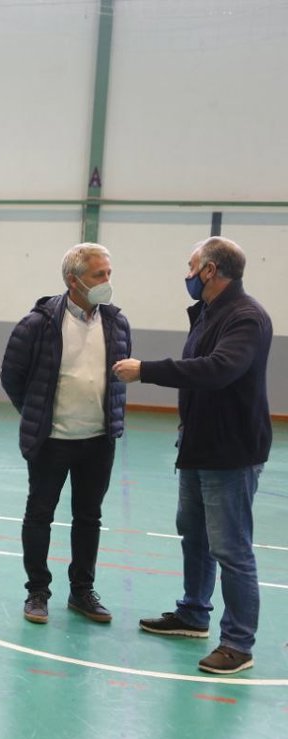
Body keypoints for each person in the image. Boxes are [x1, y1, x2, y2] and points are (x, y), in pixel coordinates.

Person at [114, 236, 272, 675]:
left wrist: (146, 370)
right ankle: (193, 614)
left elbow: (219, 369)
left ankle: (238, 644)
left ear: (210, 270)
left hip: (231, 451)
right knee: (194, 534)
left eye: (191, 266)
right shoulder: (208, 312)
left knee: (231, 548)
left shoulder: (246, 317)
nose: (186, 274)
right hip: (199, 443)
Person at [0, 243, 131, 625]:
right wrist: (38, 414)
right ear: (74, 280)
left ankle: (82, 591)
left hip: (98, 441)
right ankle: (37, 591)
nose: (107, 281)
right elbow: (11, 376)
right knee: (39, 515)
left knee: (89, 517)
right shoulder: (37, 324)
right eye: (98, 275)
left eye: (108, 273)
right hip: (51, 441)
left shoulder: (117, 322)